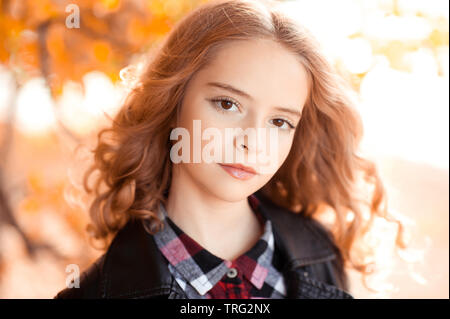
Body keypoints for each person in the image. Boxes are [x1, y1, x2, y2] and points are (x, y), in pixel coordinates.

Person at [54, 0, 403, 299]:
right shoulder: (94, 292)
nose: (252, 141)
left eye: (279, 122)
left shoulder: (321, 256)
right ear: (173, 100)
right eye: (226, 103)